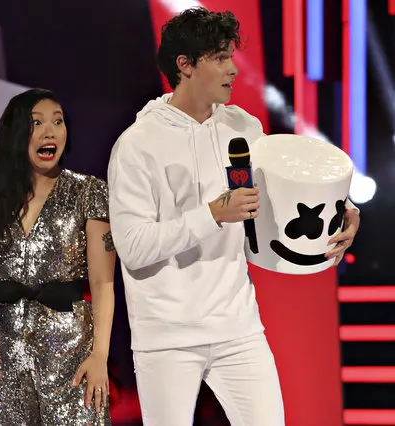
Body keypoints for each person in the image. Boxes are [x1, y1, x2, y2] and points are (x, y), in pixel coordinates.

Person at [107, 7, 359, 426]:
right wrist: (212, 215)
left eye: (231, 56)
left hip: (238, 327)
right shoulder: (137, 145)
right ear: (184, 66)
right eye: (220, 58)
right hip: (168, 338)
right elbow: (133, 248)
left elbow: (286, 188)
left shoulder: (244, 127)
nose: (233, 70)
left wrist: (345, 210)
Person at [0, 88, 116, 425]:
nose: (50, 132)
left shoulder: (89, 192)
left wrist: (100, 354)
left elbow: (103, 282)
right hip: (4, 352)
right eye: (37, 123)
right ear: (16, 134)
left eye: (58, 122)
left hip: (72, 352)